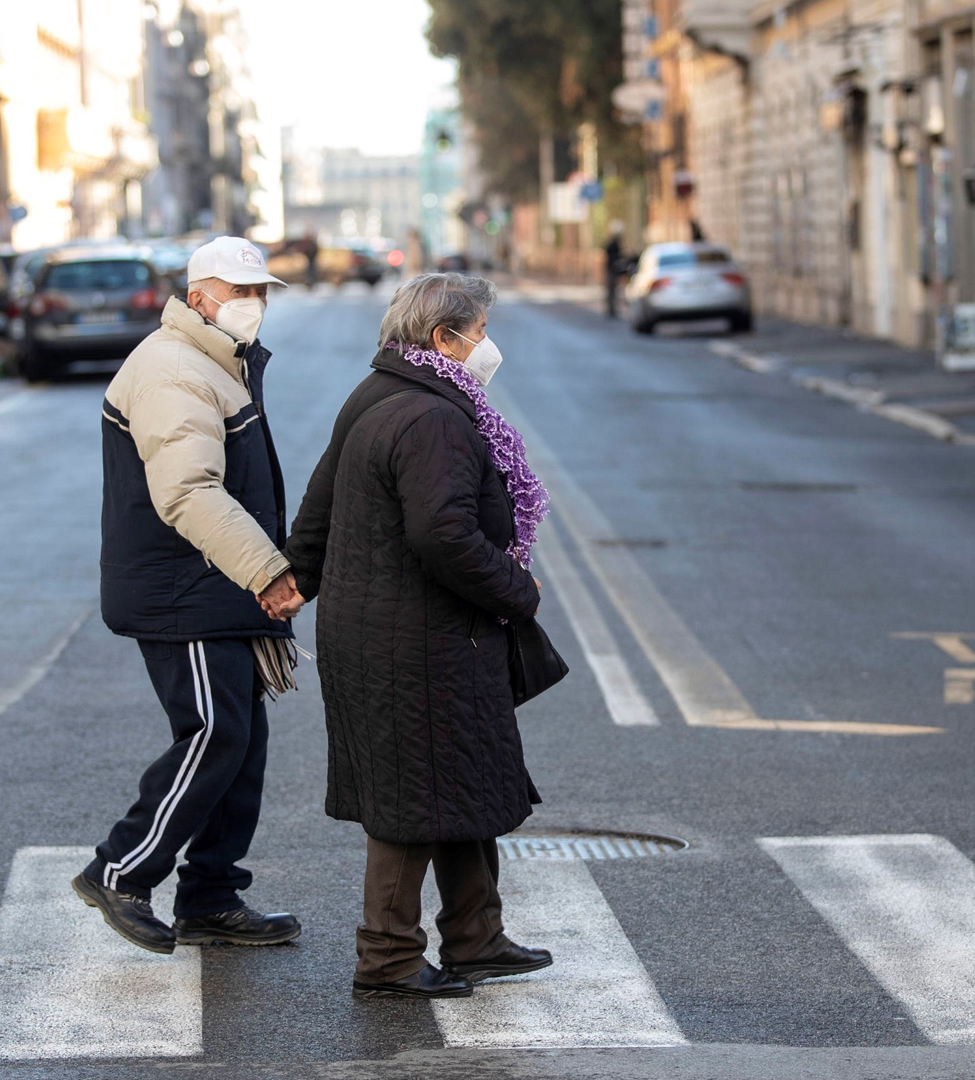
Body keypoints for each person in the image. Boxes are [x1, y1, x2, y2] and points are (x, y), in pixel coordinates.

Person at [287, 273, 551, 1000]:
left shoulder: (377, 394)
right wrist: (517, 591)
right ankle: (388, 957)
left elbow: (317, 509)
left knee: (458, 781)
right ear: (444, 338)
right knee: (412, 801)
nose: (487, 346)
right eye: (481, 331)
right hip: (418, 641)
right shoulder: (434, 418)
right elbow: (443, 535)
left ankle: (475, 938)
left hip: (391, 632)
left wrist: (292, 585)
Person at [74, 235, 306, 955]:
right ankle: (121, 869)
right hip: (187, 585)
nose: (255, 304)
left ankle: (209, 895)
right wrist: (266, 570)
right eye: (241, 292)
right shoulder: (174, 369)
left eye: (261, 291)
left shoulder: (213, 361)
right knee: (215, 732)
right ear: (199, 296)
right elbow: (187, 491)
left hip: (213, 582)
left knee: (242, 740)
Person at [603, 220, 626, 319]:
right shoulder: (613, 245)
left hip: (614, 271)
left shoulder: (615, 245)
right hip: (611, 271)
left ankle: (612, 308)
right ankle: (611, 309)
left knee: (614, 291)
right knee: (611, 291)